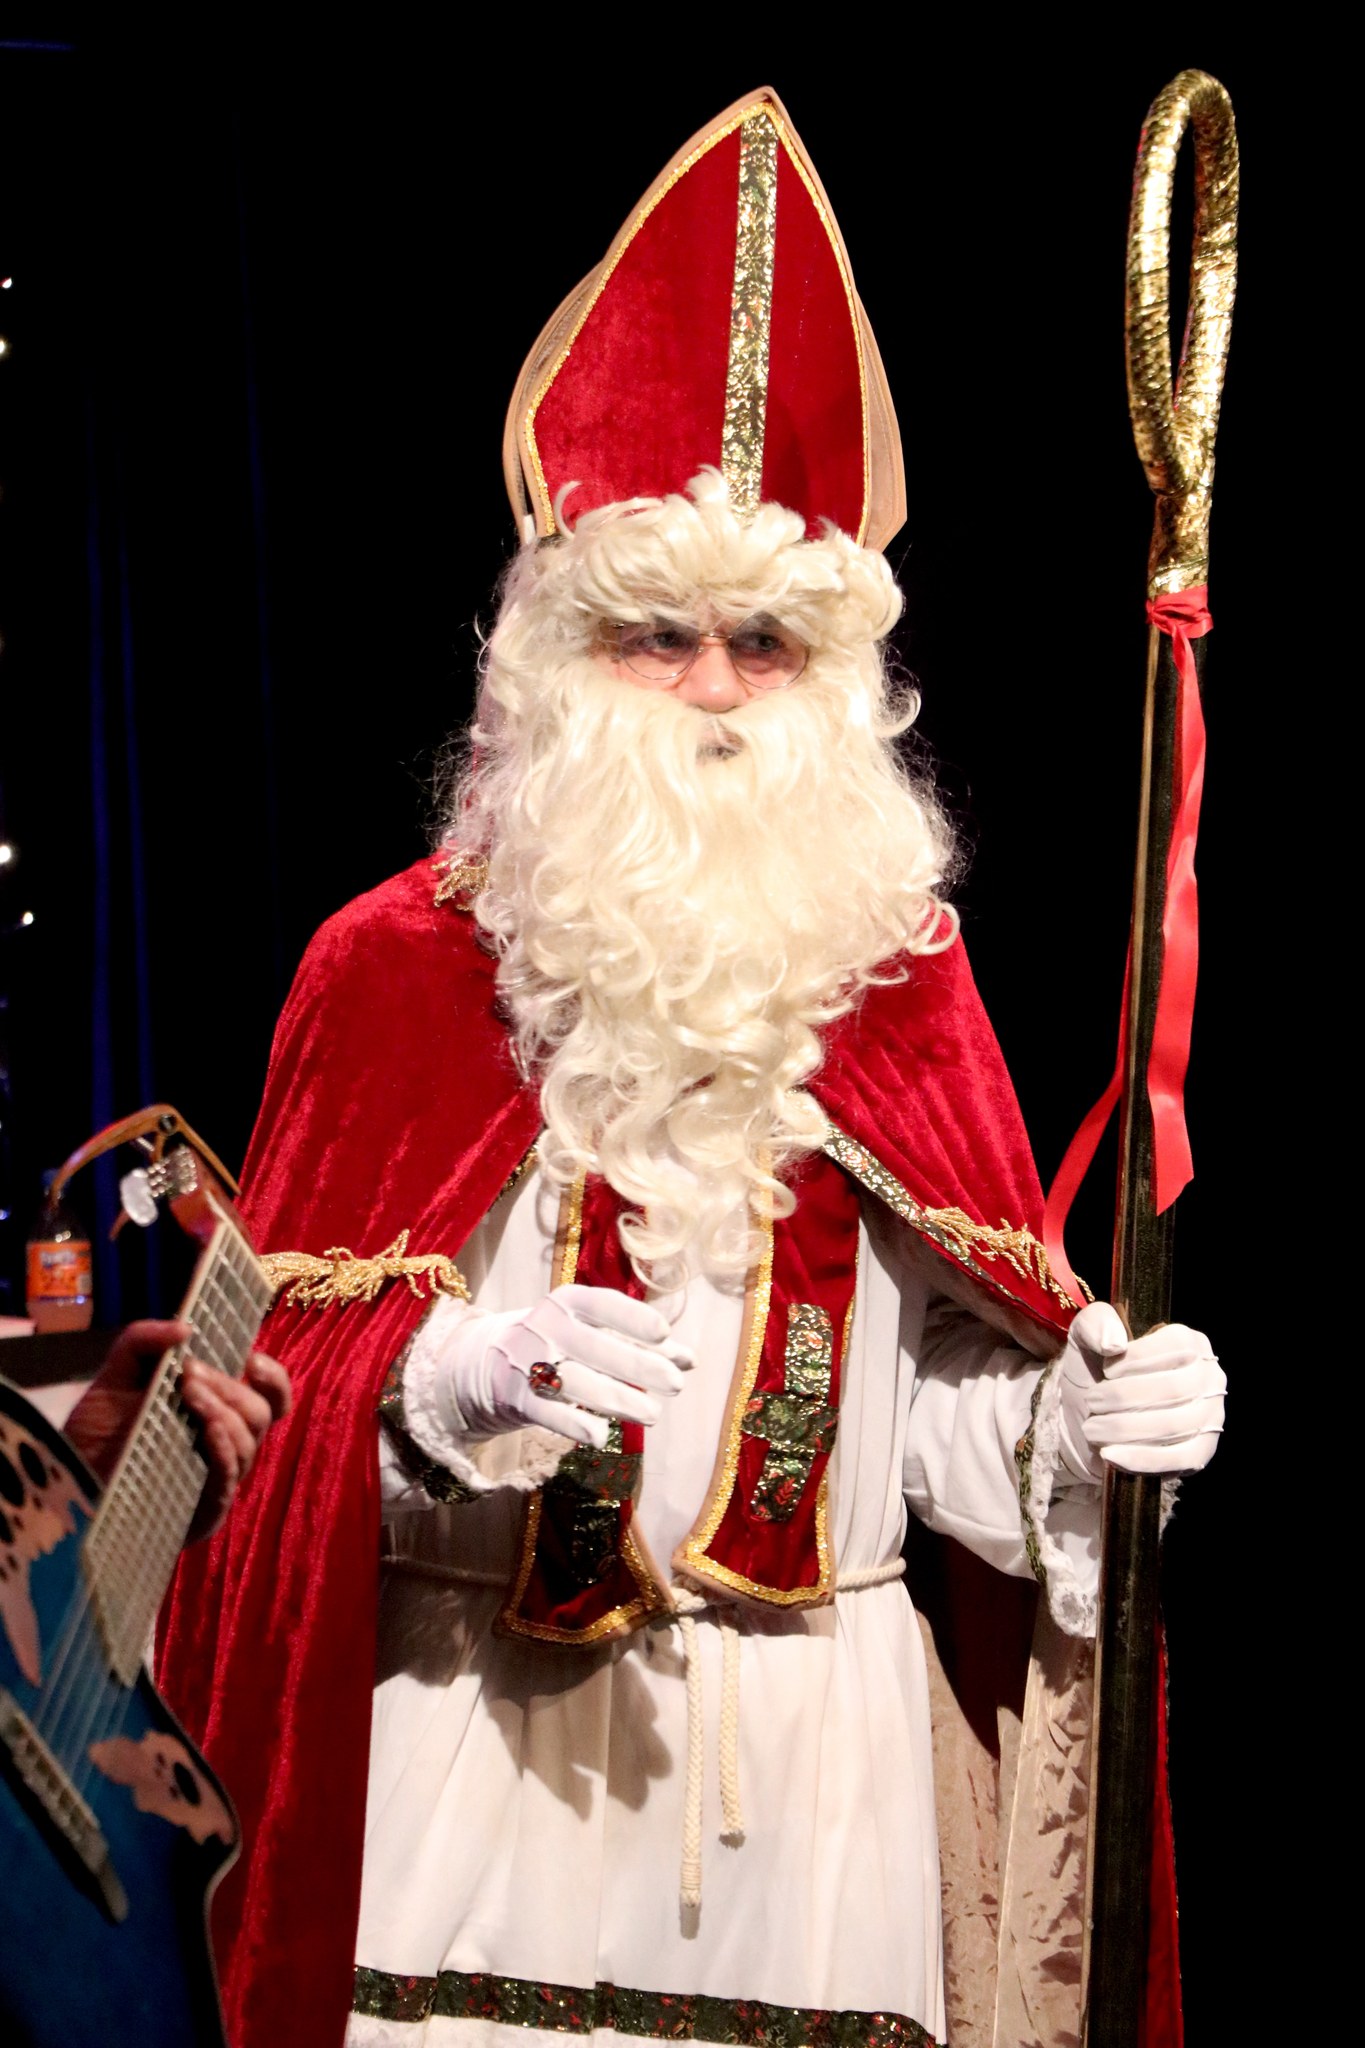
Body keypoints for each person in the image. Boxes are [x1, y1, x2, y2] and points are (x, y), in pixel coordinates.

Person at [159, 90, 1224, 2048]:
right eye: (657, 635)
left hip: (814, 1825)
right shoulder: (392, 971)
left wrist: (1076, 1431)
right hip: (466, 1763)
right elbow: (241, 1437)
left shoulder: (899, 981)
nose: (718, 689)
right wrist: (442, 1380)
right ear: (552, 659)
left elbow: (934, 1415)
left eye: (765, 641)